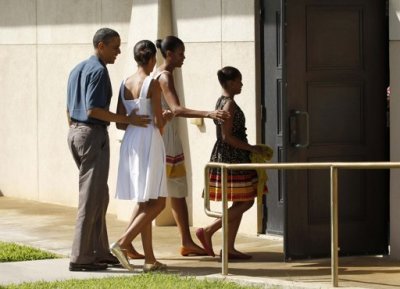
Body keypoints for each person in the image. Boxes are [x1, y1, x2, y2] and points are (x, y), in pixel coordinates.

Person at [66, 28, 150, 272]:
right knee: (91, 198)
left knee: (99, 196)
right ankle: (80, 257)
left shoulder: (76, 69)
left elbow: (69, 108)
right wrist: (128, 120)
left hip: (76, 132)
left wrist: (76, 130)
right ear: (100, 46)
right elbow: (93, 110)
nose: (119, 51)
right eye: (115, 47)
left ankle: (100, 251)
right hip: (92, 133)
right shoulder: (99, 71)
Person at [150, 36, 230, 257]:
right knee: (169, 192)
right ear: (169, 54)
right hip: (168, 141)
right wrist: (209, 113)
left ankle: (186, 241)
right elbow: (176, 109)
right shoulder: (164, 76)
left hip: (164, 137)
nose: (183, 57)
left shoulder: (158, 72)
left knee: (175, 192)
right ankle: (128, 241)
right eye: (180, 53)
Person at [110, 40, 168, 272]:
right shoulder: (152, 83)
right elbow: (159, 121)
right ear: (153, 59)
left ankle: (150, 259)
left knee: (145, 201)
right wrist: (167, 115)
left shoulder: (125, 83)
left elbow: (120, 122)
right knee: (159, 202)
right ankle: (123, 243)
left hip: (132, 140)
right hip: (149, 141)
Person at [195, 66, 264, 260]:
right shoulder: (229, 104)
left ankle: (229, 247)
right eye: (239, 81)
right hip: (232, 156)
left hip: (232, 155)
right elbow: (227, 137)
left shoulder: (222, 101)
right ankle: (209, 230)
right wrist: (252, 148)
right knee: (247, 201)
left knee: (240, 201)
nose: (241, 84)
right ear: (230, 82)